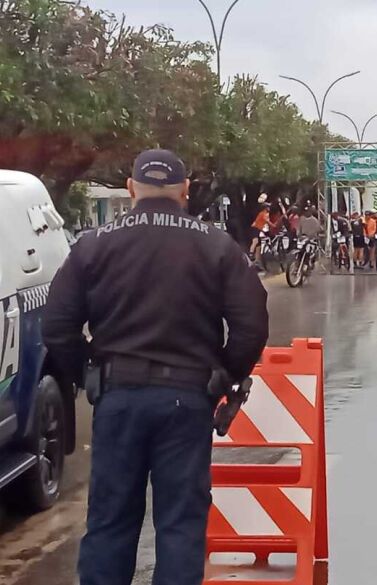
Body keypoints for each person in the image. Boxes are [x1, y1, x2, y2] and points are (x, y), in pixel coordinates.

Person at [42, 149, 269, 585]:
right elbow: (252, 323)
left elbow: (57, 326)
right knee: (180, 528)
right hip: (187, 401)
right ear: (185, 190)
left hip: (118, 397)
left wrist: (89, 373)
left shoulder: (93, 244)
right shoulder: (215, 244)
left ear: (131, 188)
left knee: (110, 524)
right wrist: (223, 373)